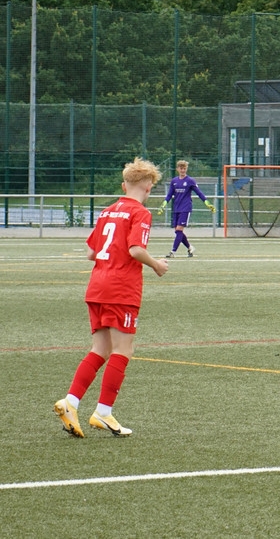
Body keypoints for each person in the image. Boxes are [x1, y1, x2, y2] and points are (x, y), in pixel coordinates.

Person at [53, 157, 170, 437]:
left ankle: (71, 402)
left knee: (100, 349)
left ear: (124, 184)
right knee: (123, 350)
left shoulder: (107, 211)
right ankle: (103, 412)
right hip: (121, 288)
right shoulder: (140, 212)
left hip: (97, 286)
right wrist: (157, 264)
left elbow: (92, 252)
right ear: (149, 187)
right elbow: (135, 250)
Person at [158, 160, 214, 257]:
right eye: (181, 168)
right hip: (176, 208)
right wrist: (163, 204)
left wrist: (207, 202)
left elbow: (199, 192)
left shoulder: (190, 181)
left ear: (186, 169)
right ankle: (189, 248)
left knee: (179, 230)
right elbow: (169, 195)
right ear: (177, 169)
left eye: (184, 168)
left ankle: (173, 252)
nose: (182, 170)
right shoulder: (174, 181)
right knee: (177, 231)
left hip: (186, 208)